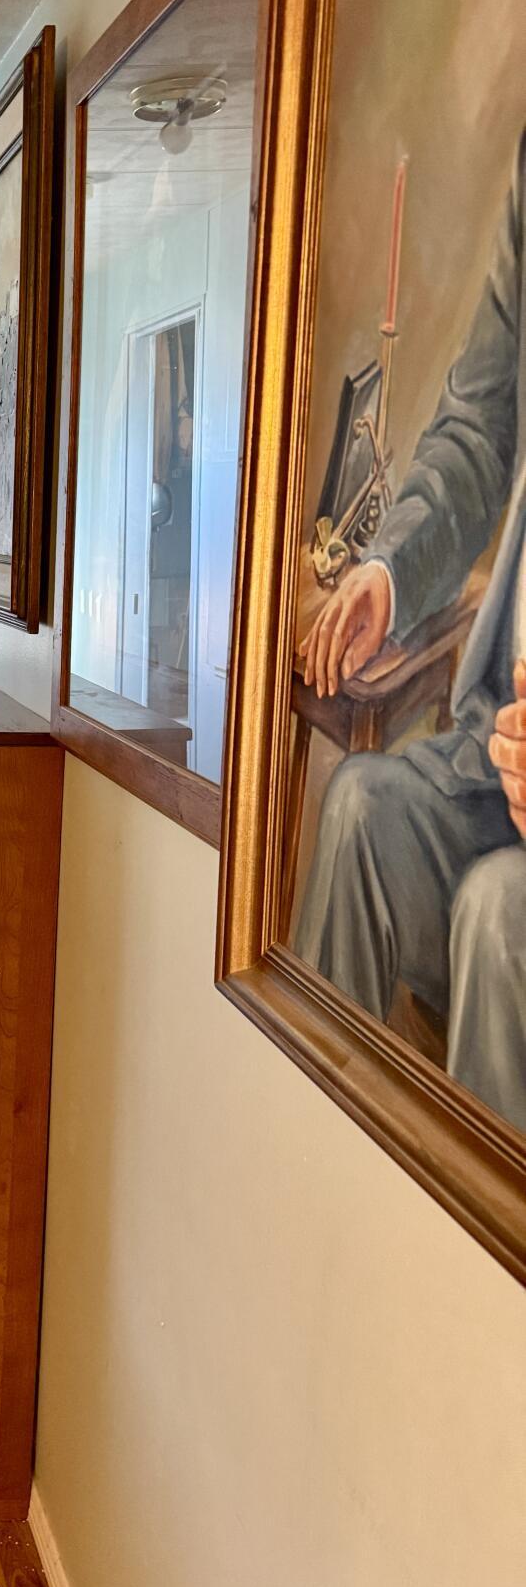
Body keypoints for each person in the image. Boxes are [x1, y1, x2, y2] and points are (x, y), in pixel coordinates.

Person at [294, 129, 526, 1134]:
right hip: (492, 756)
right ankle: (304, 1178)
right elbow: (479, 428)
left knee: (499, 916)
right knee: (358, 805)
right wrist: (387, 574)